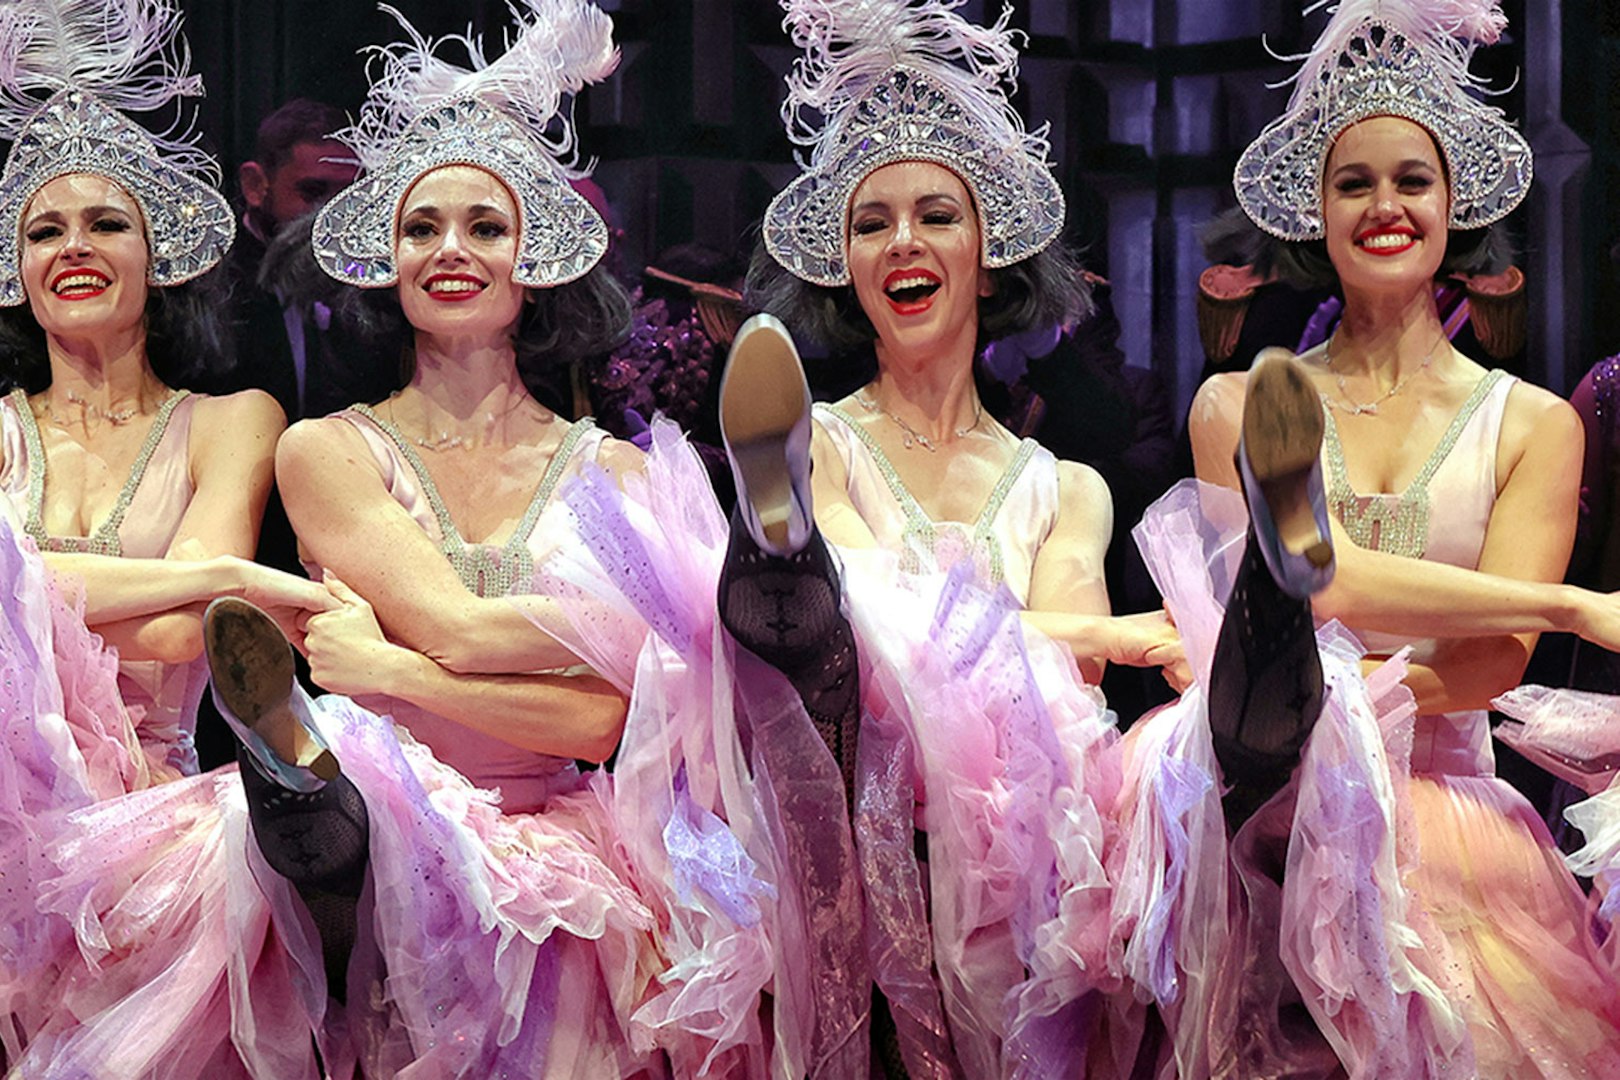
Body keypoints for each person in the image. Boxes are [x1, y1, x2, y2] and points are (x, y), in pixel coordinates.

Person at [4, 3, 679, 1076]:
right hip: (382, 859)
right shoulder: (326, 451)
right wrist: (578, 642)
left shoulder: (622, 473)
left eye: (486, 228)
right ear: (387, 262)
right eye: (422, 229)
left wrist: (395, 667)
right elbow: (466, 629)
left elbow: (607, 718)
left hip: (578, 874)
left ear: (535, 257)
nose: (450, 251)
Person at [1181, 1, 1620, 1074]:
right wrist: (1566, 605)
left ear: (1452, 203)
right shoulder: (1237, 407)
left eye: (1411, 181)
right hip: (1264, 818)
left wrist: (1349, 709)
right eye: (1354, 182)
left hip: (1451, 839)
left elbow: (1489, 664)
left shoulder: (1531, 424)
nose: (1384, 205)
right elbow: (1277, 602)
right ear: (1317, 214)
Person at [0, 0, 336, 1063]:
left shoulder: (235, 422)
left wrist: (41, 587)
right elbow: (195, 591)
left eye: (106, 223)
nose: (75, 249)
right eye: (44, 231)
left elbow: (184, 633)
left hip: (159, 838)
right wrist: (229, 573)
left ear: (159, 250)